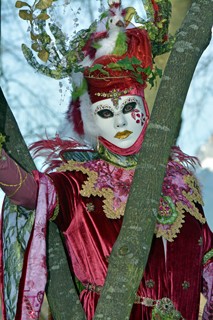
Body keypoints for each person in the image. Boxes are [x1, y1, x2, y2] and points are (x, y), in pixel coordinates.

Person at [0, 0, 212, 319]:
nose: (120, 123)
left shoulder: (182, 187)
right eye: (105, 113)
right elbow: (31, 193)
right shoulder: (78, 183)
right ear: (91, 120)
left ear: (145, 107)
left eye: (129, 107)